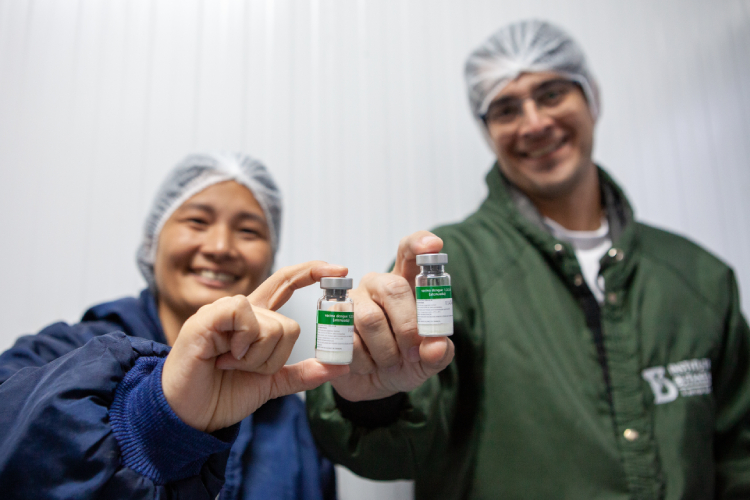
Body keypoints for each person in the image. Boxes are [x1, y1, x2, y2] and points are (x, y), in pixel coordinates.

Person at [306, 20, 750, 499]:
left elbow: (740, 460)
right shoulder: (449, 268)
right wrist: (371, 399)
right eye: (506, 109)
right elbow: (393, 452)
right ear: (487, 131)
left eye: (552, 94)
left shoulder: (699, 277)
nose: (535, 123)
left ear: (592, 98)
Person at [0, 152, 350, 499]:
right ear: (153, 240)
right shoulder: (57, 356)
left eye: (248, 231)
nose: (220, 247)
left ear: (269, 259)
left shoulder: (293, 426)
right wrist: (154, 418)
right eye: (197, 221)